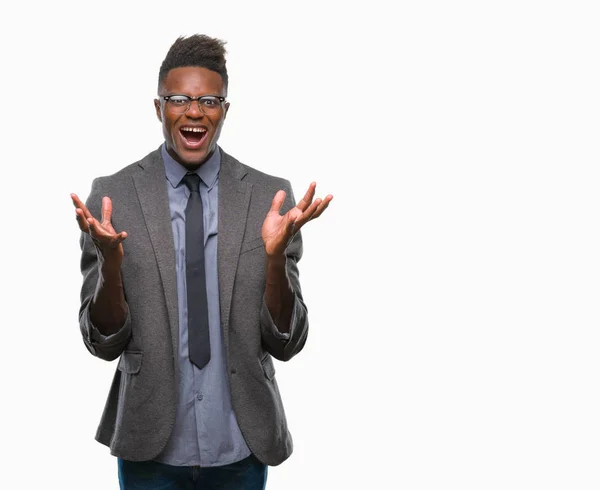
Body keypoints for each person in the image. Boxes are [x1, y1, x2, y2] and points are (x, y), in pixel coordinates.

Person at [71, 34, 332, 489]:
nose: (194, 111)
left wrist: (274, 263)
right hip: (149, 446)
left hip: (241, 445)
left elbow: (289, 343)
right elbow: (102, 343)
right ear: (159, 108)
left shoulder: (268, 198)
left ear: (225, 110)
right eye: (179, 99)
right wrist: (111, 266)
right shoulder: (113, 198)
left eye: (209, 100)